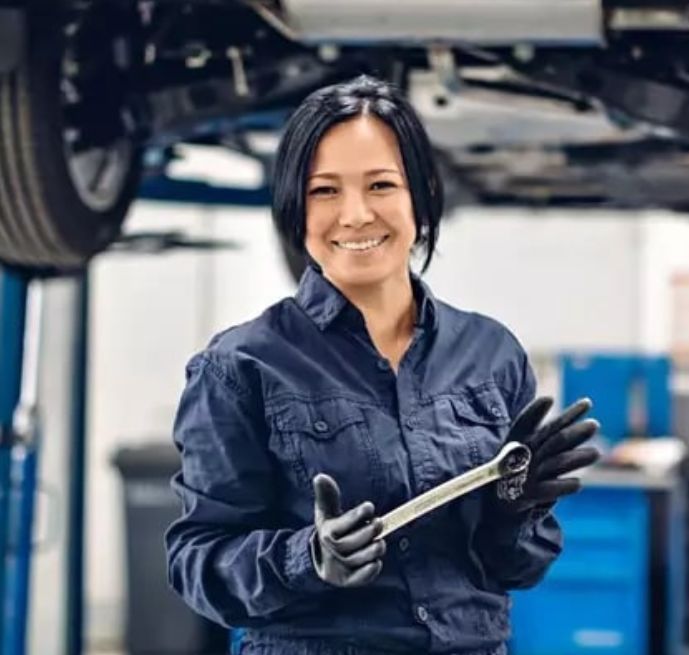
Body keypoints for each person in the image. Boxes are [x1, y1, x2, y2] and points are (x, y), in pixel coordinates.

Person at [164, 74, 601, 655]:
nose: (355, 214)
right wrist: (307, 558)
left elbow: (516, 569)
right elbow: (197, 558)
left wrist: (513, 511)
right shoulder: (240, 365)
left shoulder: (491, 354)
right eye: (325, 191)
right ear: (296, 208)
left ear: (419, 197)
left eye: (380, 185)